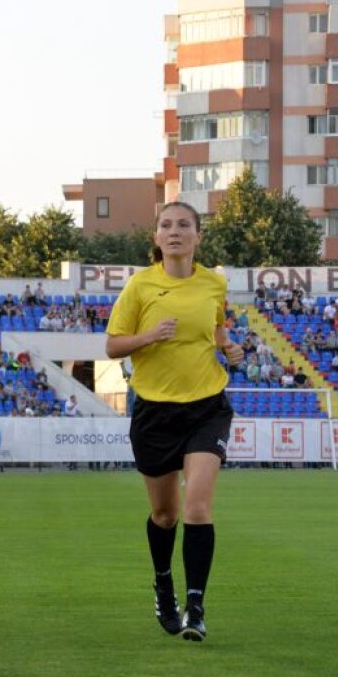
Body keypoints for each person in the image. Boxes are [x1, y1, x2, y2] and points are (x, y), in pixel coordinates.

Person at [105, 201, 243, 643]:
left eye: (184, 225)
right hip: (154, 411)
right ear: (157, 237)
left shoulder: (214, 283)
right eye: (167, 225)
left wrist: (229, 347)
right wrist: (148, 336)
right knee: (165, 515)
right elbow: (112, 346)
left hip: (207, 407)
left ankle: (196, 607)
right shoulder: (140, 286)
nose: (175, 231)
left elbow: (218, 327)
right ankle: (163, 583)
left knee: (198, 507)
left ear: (198, 236)